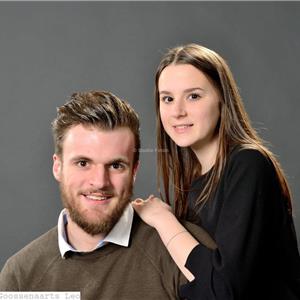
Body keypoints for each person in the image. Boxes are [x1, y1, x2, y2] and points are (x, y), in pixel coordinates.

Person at [0, 90, 216, 299]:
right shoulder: (21, 275)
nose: (100, 182)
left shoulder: (186, 253)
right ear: (58, 167)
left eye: (115, 165)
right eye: (83, 163)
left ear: (133, 171)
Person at [132, 44, 300, 300]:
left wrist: (163, 220)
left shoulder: (248, 165)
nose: (177, 111)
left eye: (194, 96)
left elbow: (223, 290)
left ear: (222, 98)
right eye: (167, 98)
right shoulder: (193, 182)